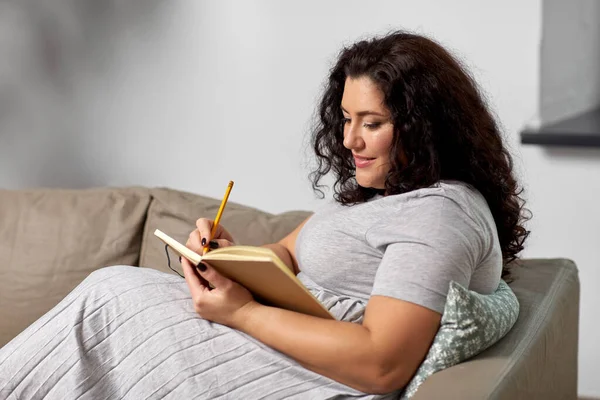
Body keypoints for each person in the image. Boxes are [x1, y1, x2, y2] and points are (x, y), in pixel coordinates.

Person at [0, 30, 529, 399]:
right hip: (271, 339)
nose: (348, 141)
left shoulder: (438, 216)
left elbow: (381, 363)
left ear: (425, 125)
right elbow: (285, 254)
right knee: (107, 293)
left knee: (108, 297)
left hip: (303, 373)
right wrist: (234, 258)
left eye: (372, 122)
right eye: (346, 118)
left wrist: (240, 313)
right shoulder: (391, 193)